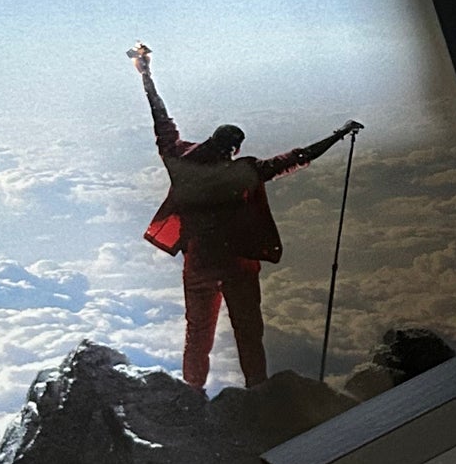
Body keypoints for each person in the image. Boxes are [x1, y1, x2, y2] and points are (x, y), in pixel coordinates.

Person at [129, 42, 359, 390]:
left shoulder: (179, 161)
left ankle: (192, 393)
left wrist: (146, 75)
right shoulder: (244, 172)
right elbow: (295, 158)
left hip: (199, 264)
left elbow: (161, 119)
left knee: (197, 333)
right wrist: (338, 135)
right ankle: (258, 394)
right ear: (235, 149)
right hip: (237, 265)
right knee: (249, 333)